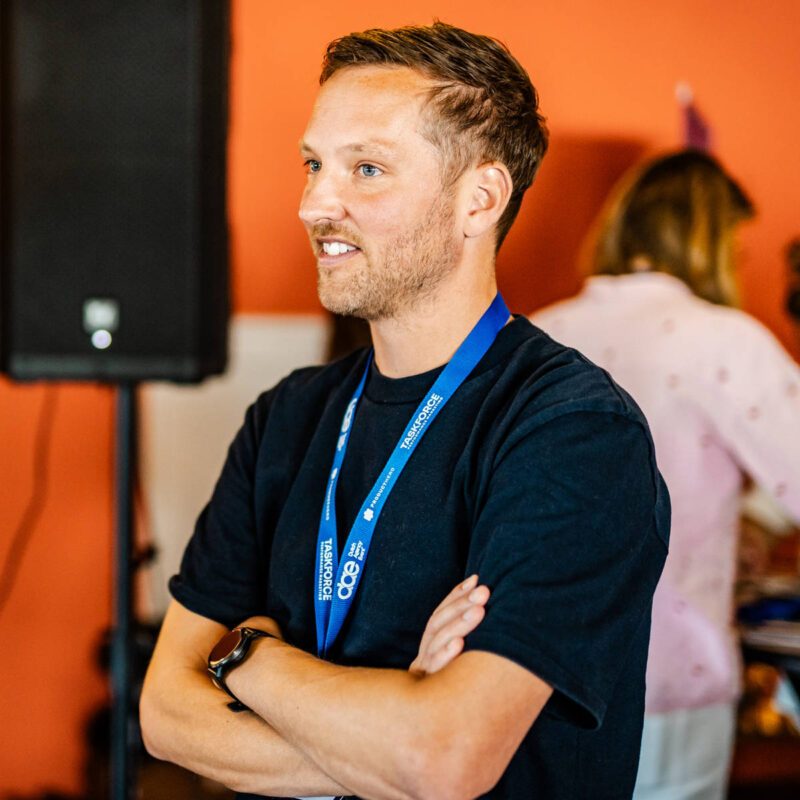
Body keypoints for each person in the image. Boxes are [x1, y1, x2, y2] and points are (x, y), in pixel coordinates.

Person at [140, 22, 669, 800]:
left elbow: (445, 759)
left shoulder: (574, 431)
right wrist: (390, 738)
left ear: (480, 200)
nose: (315, 204)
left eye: (367, 169)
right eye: (314, 164)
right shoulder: (285, 416)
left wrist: (247, 657)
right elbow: (164, 715)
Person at [530, 150, 800, 799]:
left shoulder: (537, 335)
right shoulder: (723, 340)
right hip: (666, 673)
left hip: (531, 675)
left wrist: (743, 519)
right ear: (708, 241)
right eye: (735, 248)